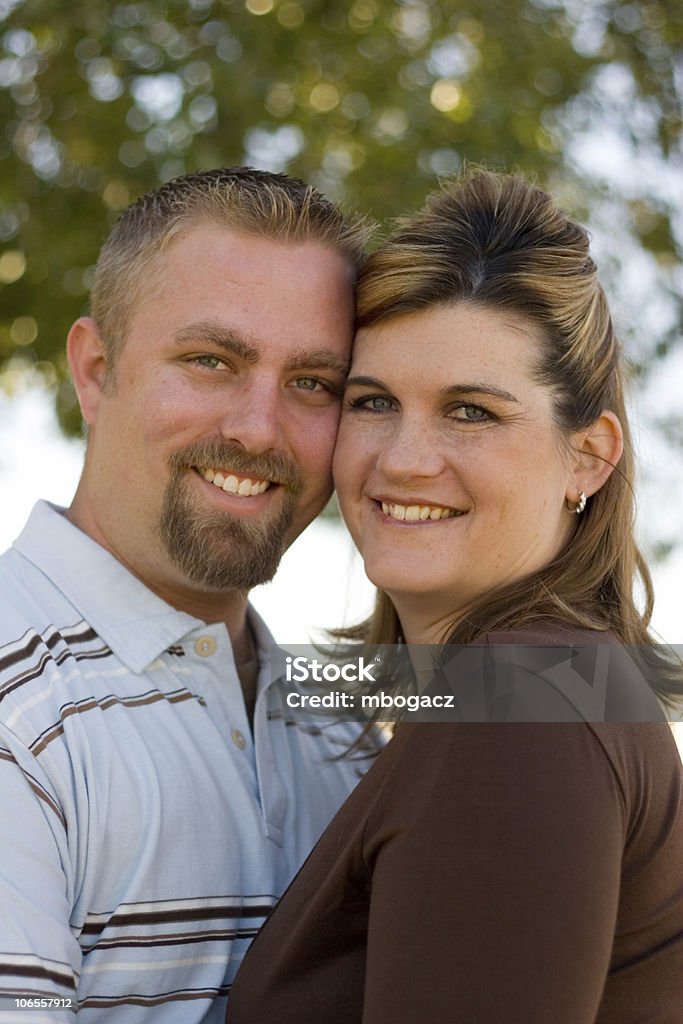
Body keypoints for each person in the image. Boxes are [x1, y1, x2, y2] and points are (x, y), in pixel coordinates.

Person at [227, 170, 683, 1023]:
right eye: (372, 402)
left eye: (470, 412)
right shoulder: (540, 687)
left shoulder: (517, 704)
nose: (402, 459)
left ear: (587, 455)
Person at [0, 167, 379, 1021]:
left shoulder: (341, 727)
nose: (256, 428)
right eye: (211, 361)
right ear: (96, 370)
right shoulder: (16, 716)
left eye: (313, 382)